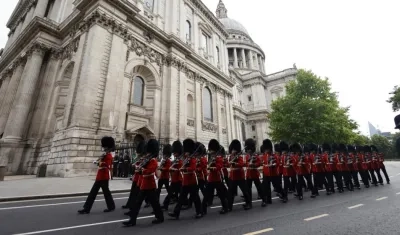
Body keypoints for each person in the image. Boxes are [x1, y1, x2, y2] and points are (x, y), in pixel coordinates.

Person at [123, 139, 164, 227]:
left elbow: (150, 171)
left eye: (148, 152)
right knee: (138, 203)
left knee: (155, 203)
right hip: (144, 184)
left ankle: (160, 217)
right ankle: (132, 220)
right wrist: (138, 168)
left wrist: (141, 170)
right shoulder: (147, 160)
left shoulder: (153, 160)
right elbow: (142, 168)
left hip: (150, 184)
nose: (147, 154)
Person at [78, 136, 116, 214]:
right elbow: (100, 162)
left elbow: (107, 165)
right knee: (95, 192)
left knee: (104, 192)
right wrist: (97, 161)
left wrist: (98, 163)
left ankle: (110, 206)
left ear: (108, 147)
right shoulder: (104, 154)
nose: (104, 148)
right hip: (100, 176)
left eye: (105, 147)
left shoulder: (109, 155)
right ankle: (87, 208)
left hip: (104, 176)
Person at [168, 138, 203, 219]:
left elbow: (193, 168)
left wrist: (185, 169)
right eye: (185, 151)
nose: (185, 153)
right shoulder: (186, 159)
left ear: (190, 151)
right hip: (185, 181)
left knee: (196, 198)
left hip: (192, 180)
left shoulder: (192, 159)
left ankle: (199, 212)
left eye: (187, 152)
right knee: (181, 199)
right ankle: (176, 213)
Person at [202, 139, 229, 215]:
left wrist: (212, 167)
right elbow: (207, 164)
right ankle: (203, 210)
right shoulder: (211, 158)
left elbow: (219, 167)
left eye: (211, 150)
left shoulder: (218, 157)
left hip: (217, 178)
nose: (210, 152)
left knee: (221, 195)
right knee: (206, 195)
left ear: (214, 150)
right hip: (211, 178)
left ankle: (225, 208)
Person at [122, 140, 146, 214]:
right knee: (133, 192)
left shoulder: (145, 159)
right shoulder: (139, 158)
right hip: (136, 177)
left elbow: (143, 168)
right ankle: (129, 204)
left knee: (138, 194)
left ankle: (133, 209)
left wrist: (137, 166)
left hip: (140, 178)